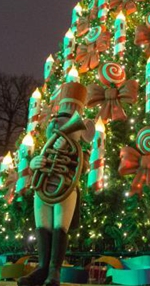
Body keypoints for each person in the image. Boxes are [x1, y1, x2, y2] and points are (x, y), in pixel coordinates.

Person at [18, 82, 94, 286]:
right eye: (56, 121)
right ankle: (42, 268)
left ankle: (55, 271)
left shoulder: (78, 149)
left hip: (65, 190)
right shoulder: (48, 145)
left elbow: (82, 167)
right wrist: (35, 163)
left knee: (60, 227)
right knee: (42, 227)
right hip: (42, 189)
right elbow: (35, 165)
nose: (59, 125)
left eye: (67, 123)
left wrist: (70, 155)